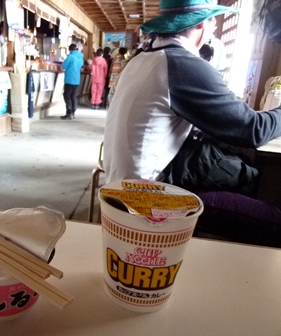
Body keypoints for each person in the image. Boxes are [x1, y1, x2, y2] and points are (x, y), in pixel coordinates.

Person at [103, 0, 281, 247]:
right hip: (146, 197)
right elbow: (254, 130)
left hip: (117, 184)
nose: (214, 28)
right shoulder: (182, 63)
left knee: (235, 173)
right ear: (200, 25)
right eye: (212, 21)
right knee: (273, 221)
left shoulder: (143, 58)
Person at [60, 44, 84, 120]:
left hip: (69, 79)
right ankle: (73, 112)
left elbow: (63, 67)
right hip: (77, 79)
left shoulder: (70, 56)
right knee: (73, 96)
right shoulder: (81, 58)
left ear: (70, 50)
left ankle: (69, 112)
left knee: (67, 96)